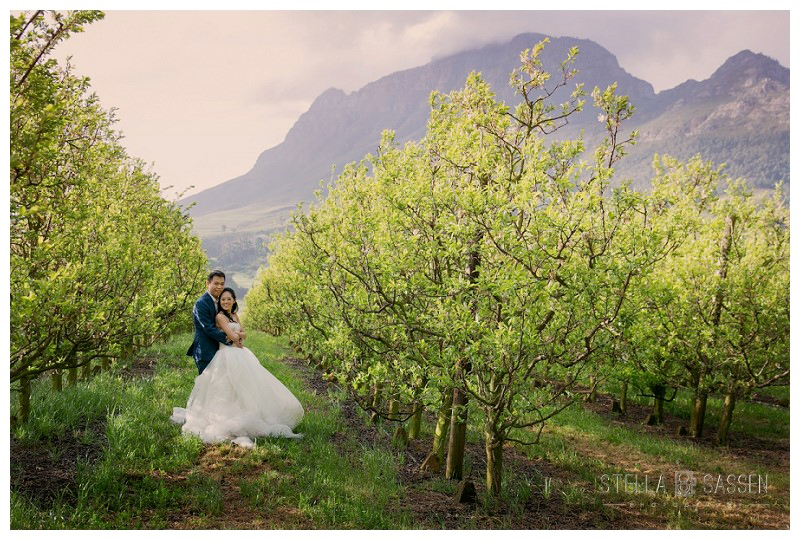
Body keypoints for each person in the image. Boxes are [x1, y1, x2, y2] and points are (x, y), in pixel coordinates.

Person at [172, 286, 304, 447]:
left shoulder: (234, 315)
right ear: (220, 302)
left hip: (240, 354)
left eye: (229, 299)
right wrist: (237, 337)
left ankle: (246, 412)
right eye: (223, 299)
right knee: (225, 387)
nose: (226, 301)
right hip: (226, 354)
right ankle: (227, 418)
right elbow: (231, 335)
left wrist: (238, 337)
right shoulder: (220, 316)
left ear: (234, 300)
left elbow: (243, 334)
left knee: (244, 386)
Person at [187, 270, 240, 375]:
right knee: (207, 385)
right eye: (216, 283)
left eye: (222, 284)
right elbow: (208, 328)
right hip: (206, 351)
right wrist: (230, 338)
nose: (219, 287)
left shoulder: (221, 301)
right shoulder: (201, 303)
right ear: (208, 283)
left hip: (220, 351)